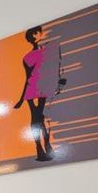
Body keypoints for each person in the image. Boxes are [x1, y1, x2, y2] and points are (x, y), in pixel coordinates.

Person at [14, 25, 65, 161]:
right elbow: (28, 78)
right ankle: (43, 147)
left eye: (38, 32)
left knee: (38, 119)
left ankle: (44, 147)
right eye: (36, 33)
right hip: (32, 90)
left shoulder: (50, 50)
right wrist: (21, 99)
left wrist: (57, 84)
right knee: (37, 119)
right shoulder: (28, 57)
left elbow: (55, 69)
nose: (38, 35)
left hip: (42, 88)